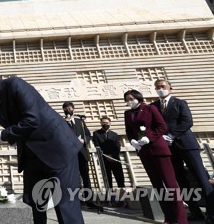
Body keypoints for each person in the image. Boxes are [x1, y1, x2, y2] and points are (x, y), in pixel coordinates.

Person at [0, 66, 85, 224]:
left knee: (65, 206)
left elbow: (33, 120)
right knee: (33, 205)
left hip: (57, 149)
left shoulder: (15, 85)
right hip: (32, 156)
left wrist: (3, 135)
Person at [152, 79, 214, 223]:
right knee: (180, 180)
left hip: (186, 144)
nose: (160, 89)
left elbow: (187, 121)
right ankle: (195, 211)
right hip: (169, 148)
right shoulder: (153, 107)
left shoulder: (180, 103)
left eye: (162, 86)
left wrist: (171, 135)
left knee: (201, 177)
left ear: (170, 88)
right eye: (157, 87)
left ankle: (211, 212)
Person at [124, 89, 187, 224]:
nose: (129, 102)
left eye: (131, 98)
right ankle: (168, 217)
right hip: (143, 151)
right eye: (127, 100)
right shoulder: (127, 113)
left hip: (158, 148)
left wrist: (149, 138)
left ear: (138, 98)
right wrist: (133, 141)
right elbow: (129, 131)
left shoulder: (150, 108)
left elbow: (162, 126)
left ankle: (181, 219)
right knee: (157, 185)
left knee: (170, 184)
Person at [63, 102, 98, 210]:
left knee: (86, 177)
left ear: (73, 108)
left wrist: (84, 140)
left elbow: (87, 134)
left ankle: (90, 200)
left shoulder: (80, 121)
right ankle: (77, 200)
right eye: (65, 108)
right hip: (70, 154)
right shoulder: (62, 122)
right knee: (73, 178)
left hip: (82, 153)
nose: (68, 109)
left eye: (69, 107)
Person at [92, 116, 126, 204]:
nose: (105, 124)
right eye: (103, 123)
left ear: (110, 123)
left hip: (115, 159)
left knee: (120, 179)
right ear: (101, 123)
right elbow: (97, 145)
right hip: (104, 160)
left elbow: (117, 146)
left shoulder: (114, 134)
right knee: (107, 180)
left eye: (107, 123)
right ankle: (110, 199)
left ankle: (123, 200)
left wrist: (112, 156)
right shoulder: (96, 134)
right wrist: (106, 156)